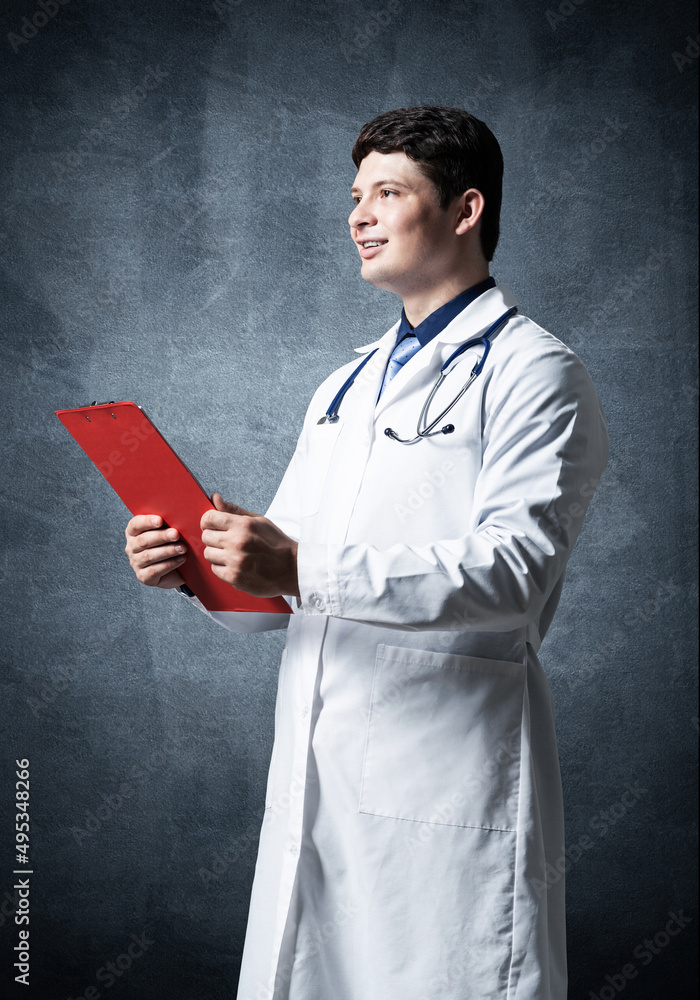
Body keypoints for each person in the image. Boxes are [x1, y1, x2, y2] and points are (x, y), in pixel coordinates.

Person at [124, 106, 609, 1000]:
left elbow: (516, 575)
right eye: (355, 195)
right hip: (318, 774)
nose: (358, 215)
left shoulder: (538, 374)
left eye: (388, 192)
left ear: (465, 211)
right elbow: (282, 593)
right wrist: (200, 571)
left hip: (444, 781)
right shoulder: (343, 387)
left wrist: (300, 567)